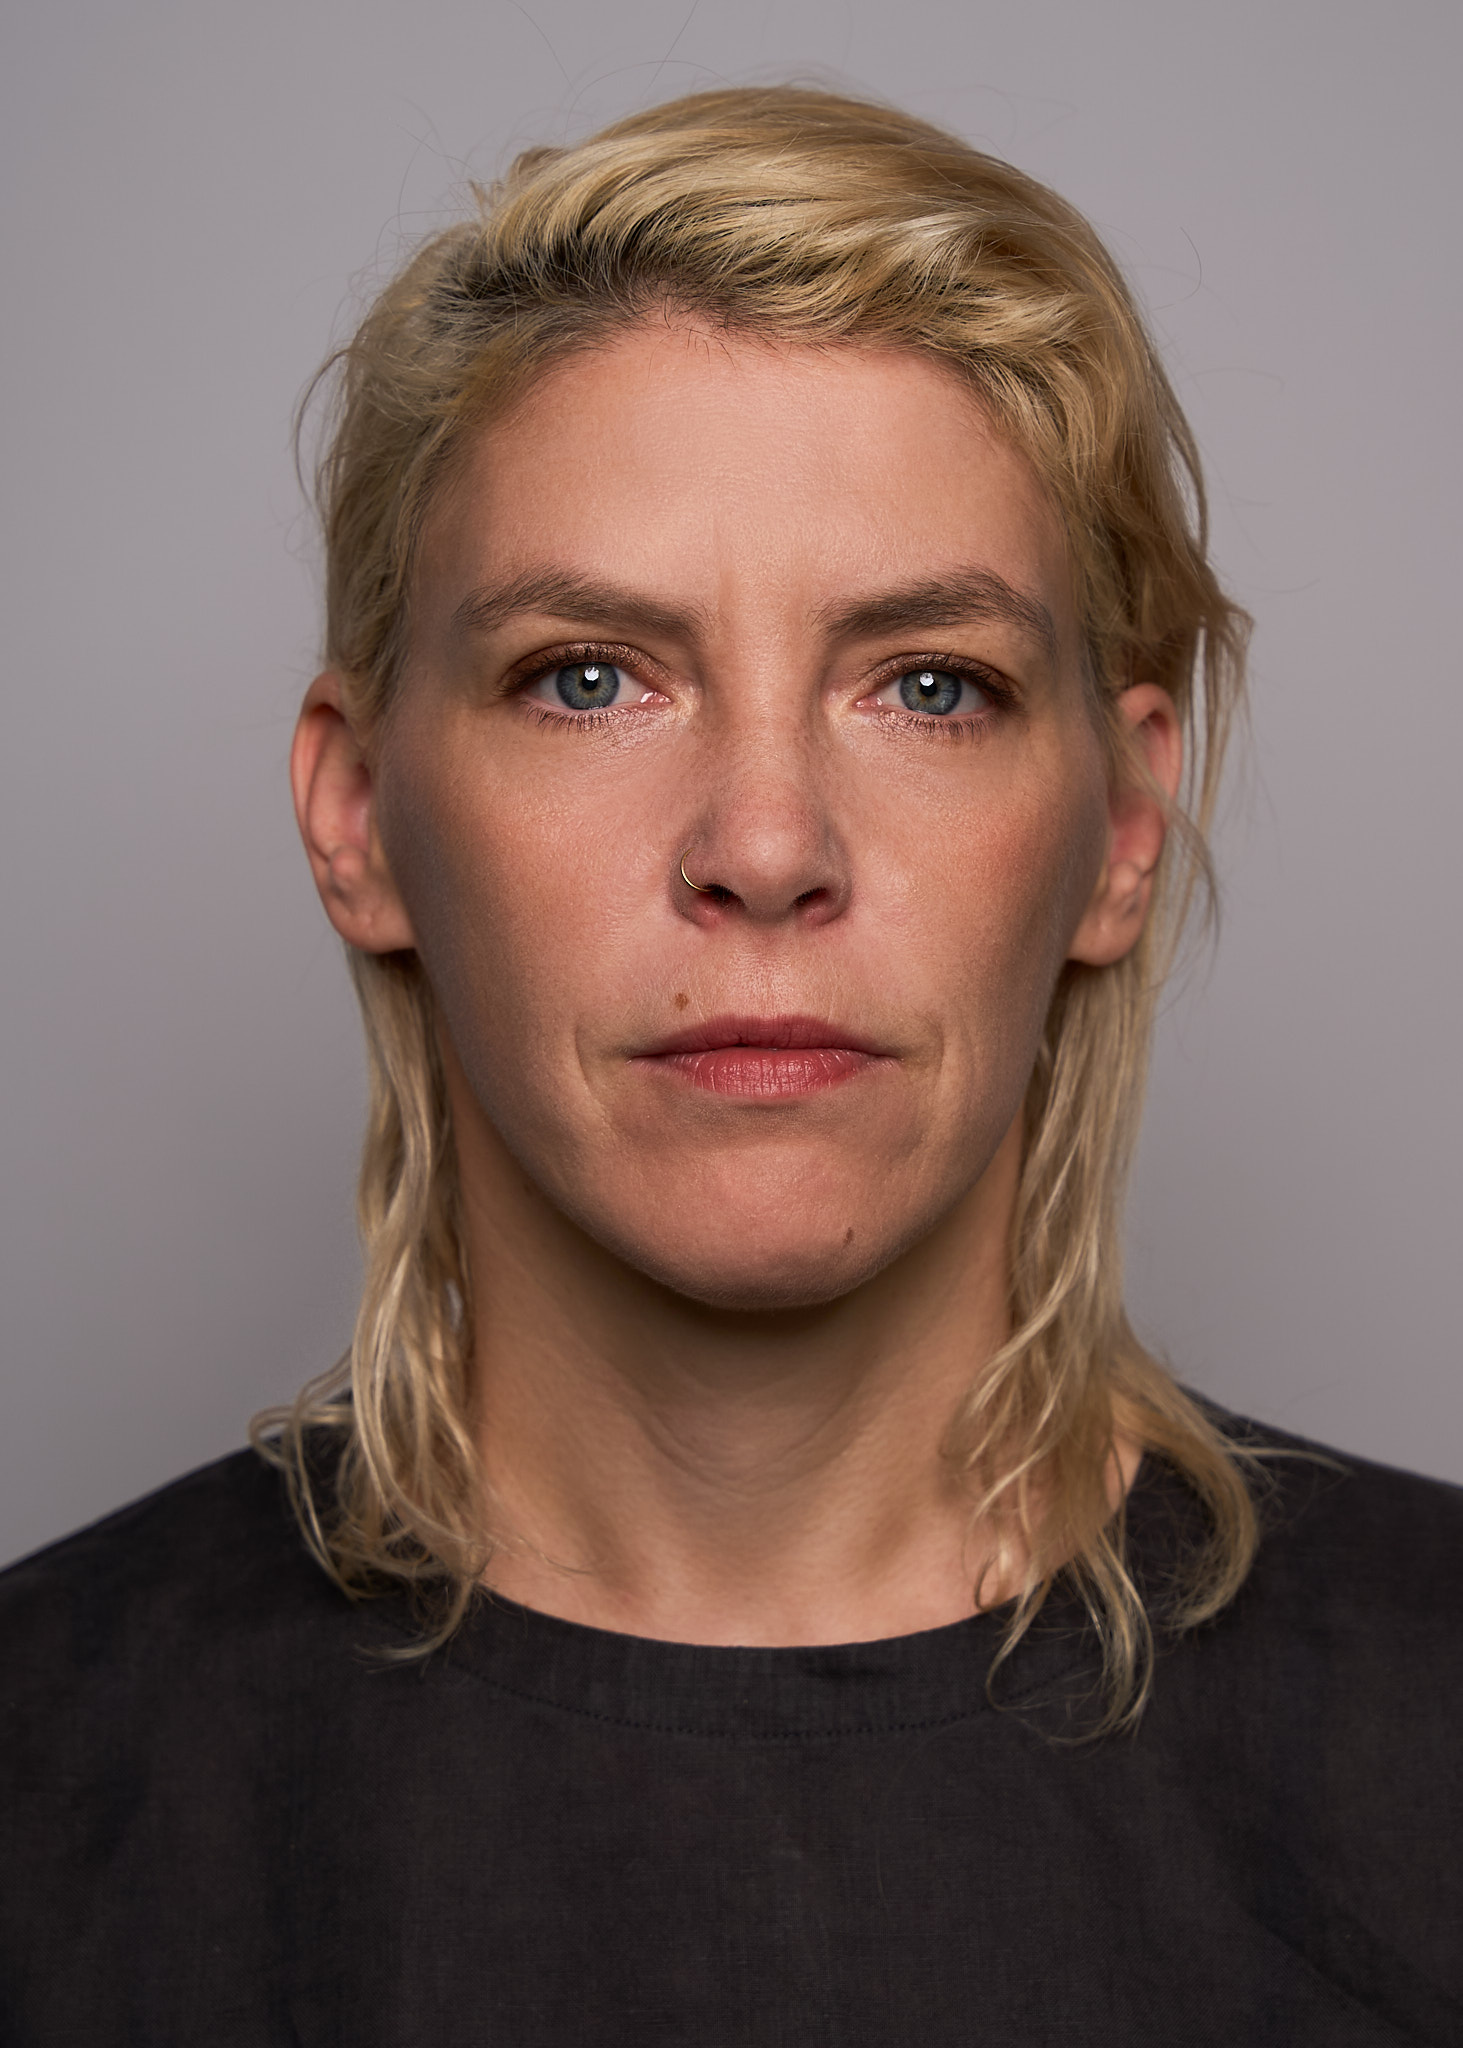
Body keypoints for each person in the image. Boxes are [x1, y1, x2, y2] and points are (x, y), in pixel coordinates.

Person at [2, 84, 1459, 2046]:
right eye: (587, 676)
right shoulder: (48, 1783)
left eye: (930, 685)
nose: (767, 847)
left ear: (1123, 825)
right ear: (359, 814)